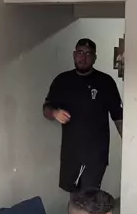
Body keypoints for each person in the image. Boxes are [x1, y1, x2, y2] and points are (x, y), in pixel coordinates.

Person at [43, 38, 123, 192]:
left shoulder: (105, 82)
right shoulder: (62, 80)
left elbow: (118, 116)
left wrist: (130, 146)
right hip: (71, 154)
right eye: (80, 52)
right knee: (74, 196)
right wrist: (55, 113)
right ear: (74, 54)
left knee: (88, 196)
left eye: (88, 54)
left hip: (95, 155)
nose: (83, 57)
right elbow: (46, 108)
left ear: (94, 58)